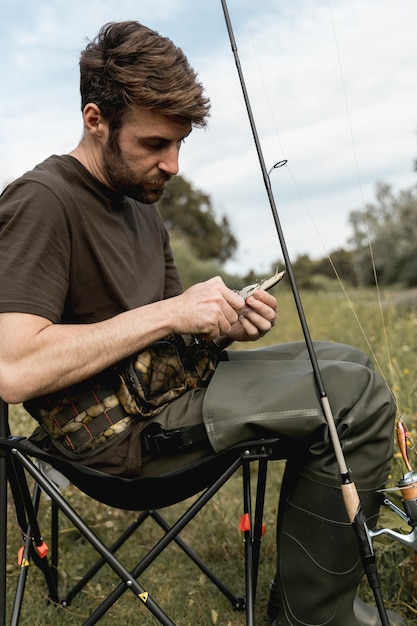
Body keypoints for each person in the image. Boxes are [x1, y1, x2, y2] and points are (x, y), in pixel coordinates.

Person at [0, 21, 403, 626]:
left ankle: (318, 593)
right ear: (95, 120)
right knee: (353, 397)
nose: (174, 163)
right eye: (156, 143)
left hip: (176, 398)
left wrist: (219, 323)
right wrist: (172, 310)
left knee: (345, 363)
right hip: (123, 443)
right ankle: (318, 617)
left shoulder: (141, 207)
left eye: (181, 144)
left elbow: (168, 332)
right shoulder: (41, 201)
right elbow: (12, 367)